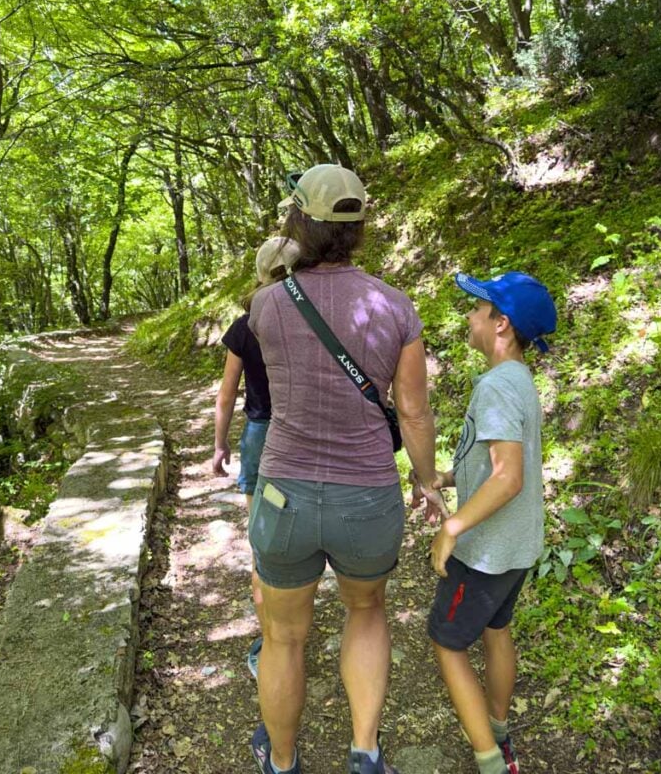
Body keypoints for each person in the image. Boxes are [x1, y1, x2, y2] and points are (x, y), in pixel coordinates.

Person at [247, 164, 445, 774]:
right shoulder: (395, 305)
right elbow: (412, 411)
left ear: (297, 221)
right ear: (360, 226)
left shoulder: (266, 305)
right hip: (368, 497)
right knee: (366, 610)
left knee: (283, 638)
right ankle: (364, 750)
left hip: (285, 496)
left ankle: (281, 762)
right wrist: (426, 480)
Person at [425, 271, 557, 774]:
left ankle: (489, 760)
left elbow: (507, 479)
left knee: (446, 639)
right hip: (518, 548)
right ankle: (497, 727)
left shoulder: (497, 387)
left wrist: (453, 527)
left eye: (477, 309)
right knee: (496, 631)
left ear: (501, 324)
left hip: (486, 553)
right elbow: (498, 463)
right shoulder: (519, 378)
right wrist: (448, 475)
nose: (469, 315)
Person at [213, 236, 301, 676]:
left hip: (262, 432)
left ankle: (271, 643)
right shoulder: (312, 317)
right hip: (304, 433)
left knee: (262, 544)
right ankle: (291, 630)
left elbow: (228, 392)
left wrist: (219, 444)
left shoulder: (246, 325)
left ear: (261, 274)